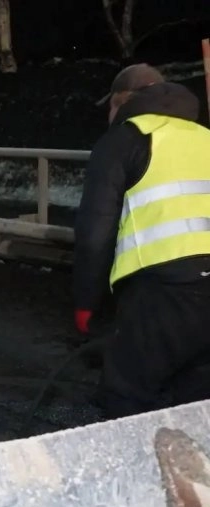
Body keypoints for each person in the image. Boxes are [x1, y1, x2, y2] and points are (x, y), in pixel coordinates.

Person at [74, 63, 210, 418]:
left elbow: (94, 232)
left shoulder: (123, 140)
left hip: (164, 287)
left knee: (126, 393)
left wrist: (87, 303)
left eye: (110, 106)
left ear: (122, 100)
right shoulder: (204, 136)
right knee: (197, 395)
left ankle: (129, 452)